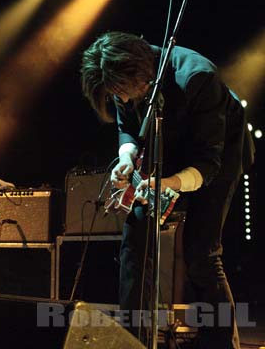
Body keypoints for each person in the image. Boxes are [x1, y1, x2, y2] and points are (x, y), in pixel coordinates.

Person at [80, 31, 254, 348]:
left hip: (217, 157)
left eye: (123, 92)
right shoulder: (122, 81)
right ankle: (134, 340)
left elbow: (207, 164)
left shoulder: (197, 77)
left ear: (141, 75)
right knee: (135, 245)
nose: (121, 99)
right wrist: (127, 159)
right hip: (166, 153)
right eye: (114, 94)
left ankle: (221, 343)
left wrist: (169, 183)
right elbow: (127, 129)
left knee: (201, 254)